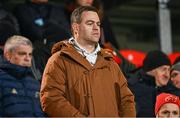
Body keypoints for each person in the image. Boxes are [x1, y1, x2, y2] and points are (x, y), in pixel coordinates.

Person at [40, 6, 136, 117]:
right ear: (76, 28)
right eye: (90, 23)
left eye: (98, 24)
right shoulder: (58, 60)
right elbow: (51, 99)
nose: (96, 28)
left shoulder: (110, 63)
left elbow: (127, 100)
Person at [0, 35, 46, 117]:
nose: (28, 58)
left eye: (30, 54)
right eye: (22, 54)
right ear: (8, 55)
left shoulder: (35, 83)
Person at [128, 50, 171, 117]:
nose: (167, 75)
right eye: (164, 69)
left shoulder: (171, 89)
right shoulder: (131, 90)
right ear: (151, 70)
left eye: (169, 70)